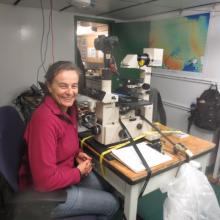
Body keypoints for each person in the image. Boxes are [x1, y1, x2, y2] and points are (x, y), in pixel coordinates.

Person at [19, 61, 119, 219]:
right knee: (112, 203)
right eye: (63, 86)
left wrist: (76, 154)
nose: (70, 92)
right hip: (47, 195)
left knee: (108, 186)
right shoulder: (44, 121)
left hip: (64, 174)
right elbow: (44, 182)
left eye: (74, 86)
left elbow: (65, 142)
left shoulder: (70, 108)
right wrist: (78, 172)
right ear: (49, 86)